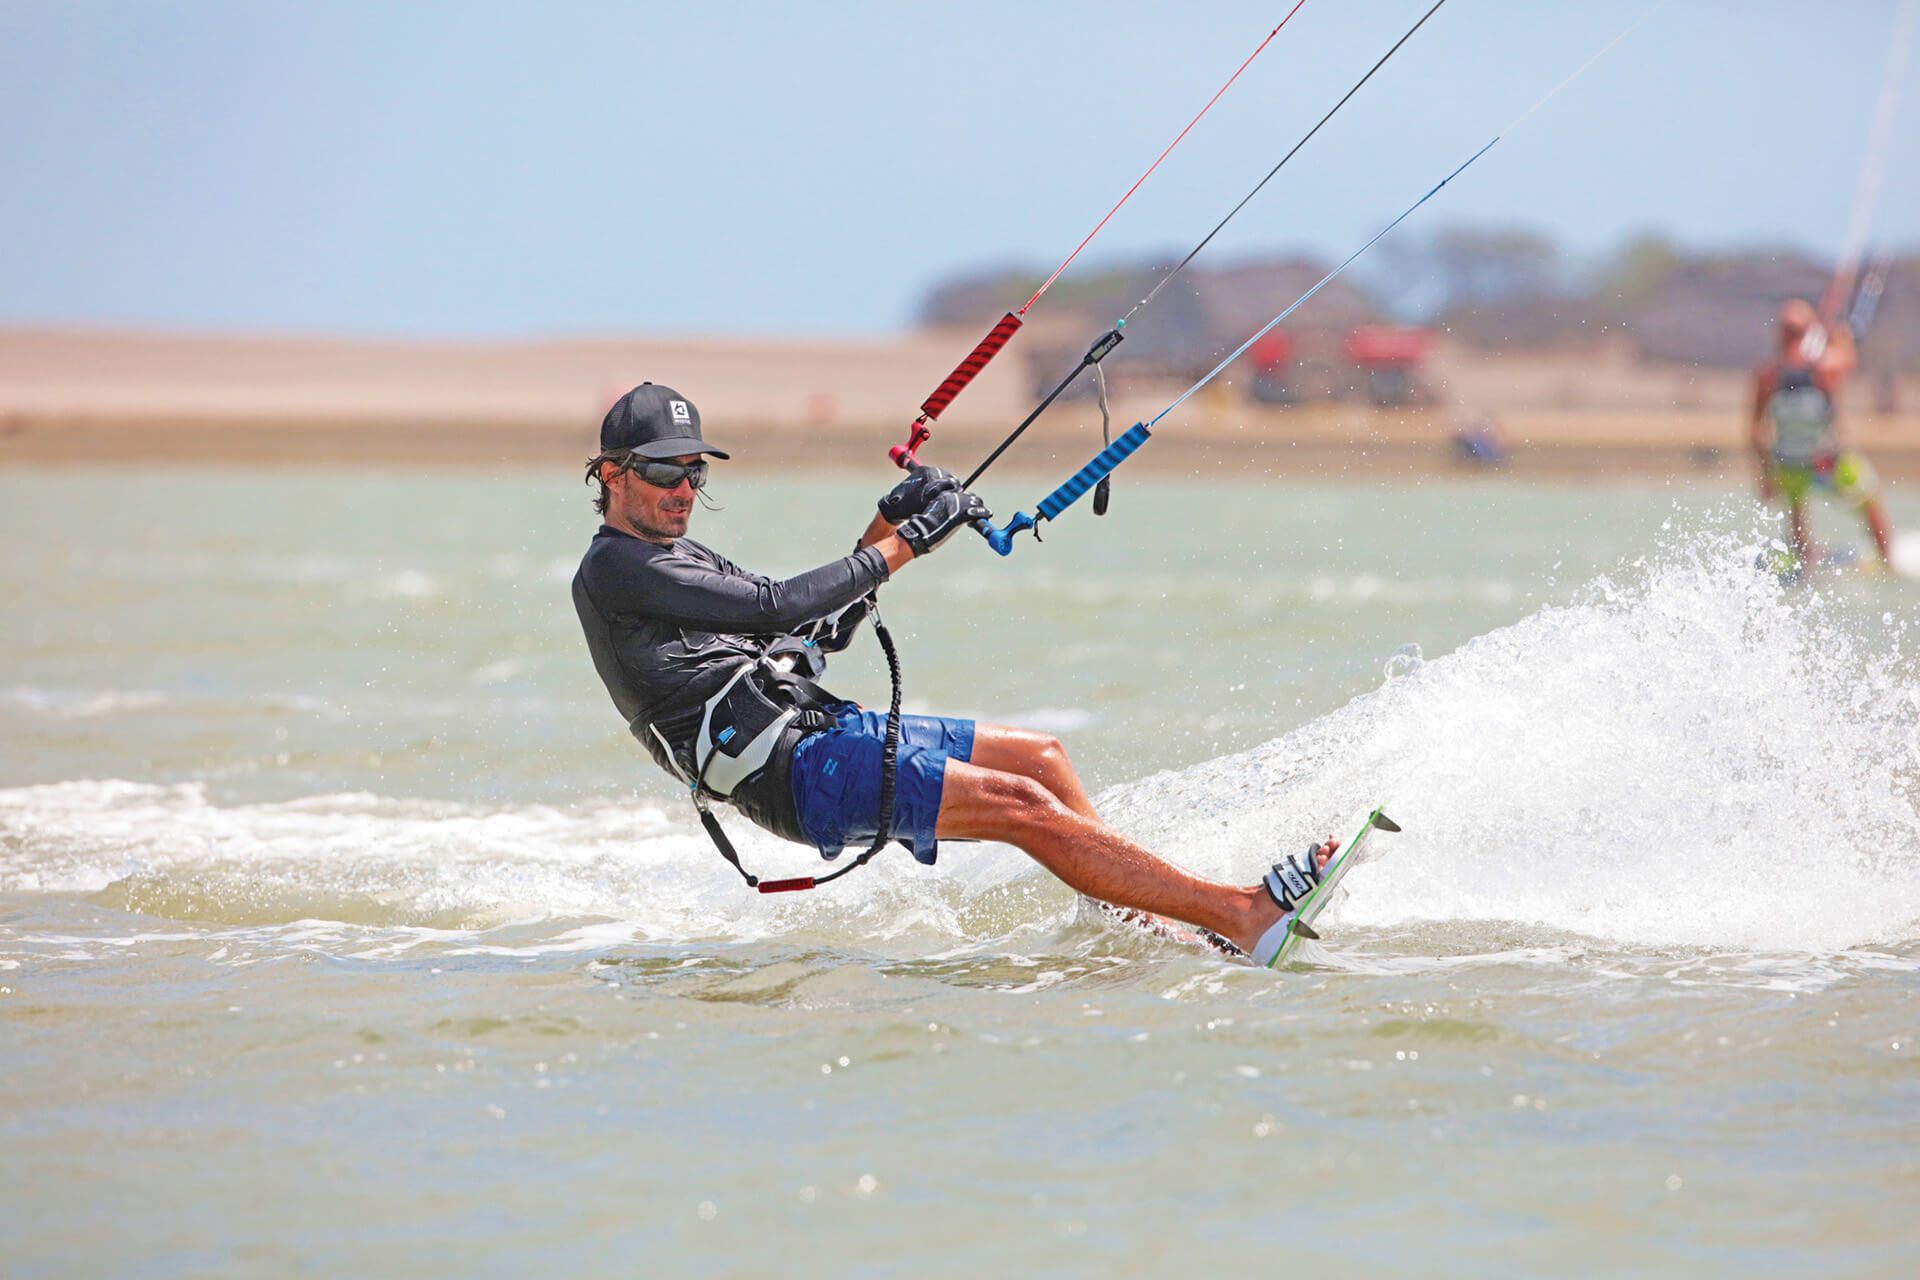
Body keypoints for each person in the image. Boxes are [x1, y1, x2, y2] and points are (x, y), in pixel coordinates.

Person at [570, 382, 1337, 965]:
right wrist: (905, 546)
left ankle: (1154, 930)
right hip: (787, 774)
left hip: (813, 728)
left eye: (694, 474)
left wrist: (888, 523)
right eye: (665, 474)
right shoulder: (616, 569)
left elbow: (809, 629)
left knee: (1039, 758)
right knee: (1020, 804)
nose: (683, 492)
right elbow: (776, 606)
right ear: (611, 474)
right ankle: (1239, 913)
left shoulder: (678, 554)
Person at [1750, 298, 1895, 571]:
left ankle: (1808, 566)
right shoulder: (1827, 365)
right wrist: (1840, 337)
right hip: (1826, 460)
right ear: (1810, 331)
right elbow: (1849, 358)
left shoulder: (1768, 373)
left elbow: (1756, 429)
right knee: (1870, 498)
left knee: (1796, 512)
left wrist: (1765, 475)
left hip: (1788, 463)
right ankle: (1888, 562)